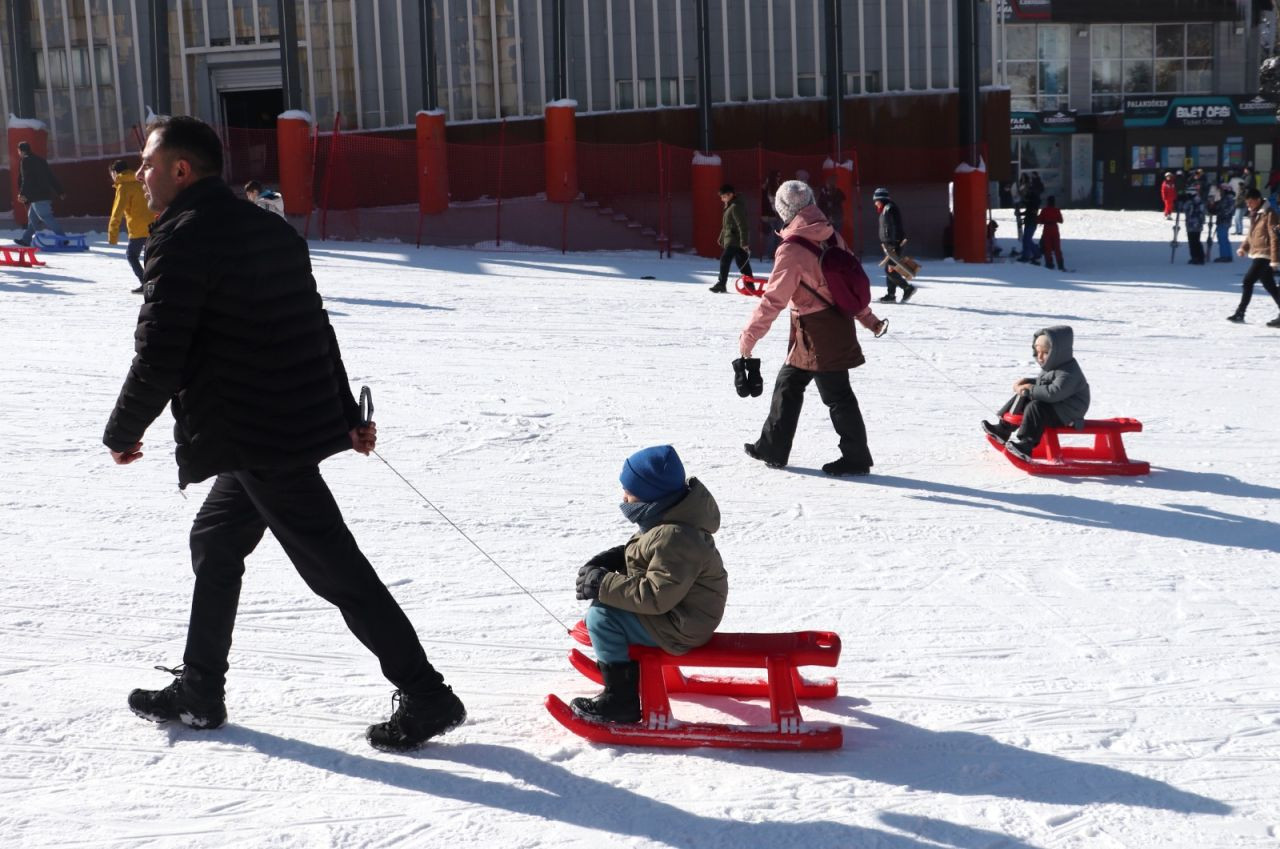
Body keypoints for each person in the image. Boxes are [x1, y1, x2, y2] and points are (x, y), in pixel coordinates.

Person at [102, 115, 465, 753]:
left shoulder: (182, 237)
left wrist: (124, 428)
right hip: (276, 425)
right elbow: (315, 328)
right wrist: (344, 413)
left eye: (148, 163)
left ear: (181, 170)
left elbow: (162, 351)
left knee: (335, 567)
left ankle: (426, 692)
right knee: (215, 539)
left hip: (256, 434)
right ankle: (200, 689)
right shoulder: (271, 228)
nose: (139, 174)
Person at [739, 180, 886, 477]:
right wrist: (868, 318)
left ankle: (856, 458)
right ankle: (772, 447)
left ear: (783, 210)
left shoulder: (791, 248)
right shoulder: (830, 235)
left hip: (817, 331)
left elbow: (773, 300)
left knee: (837, 395)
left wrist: (748, 339)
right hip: (827, 326)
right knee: (788, 385)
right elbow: (848, 283)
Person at [571, 445, 728, 724]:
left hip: (681, 625)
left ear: (652, 495)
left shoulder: (675, 536)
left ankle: (621, 701)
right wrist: (615, 558)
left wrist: (604, 585)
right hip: (680, 613)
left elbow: (656, 596)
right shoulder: (669, 518)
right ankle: (626, 672)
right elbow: (649, 555)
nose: (624, 497)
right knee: (606, 607)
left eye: (629, 492)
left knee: (602, 617)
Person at [981, 326, 1090, 462]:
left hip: (1070, 411)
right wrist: (1027, 383)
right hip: (1058, 405)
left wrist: (1030, 388)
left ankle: (1027, 445)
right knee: (1025, 396)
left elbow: (1053, 393)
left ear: (1057, 352)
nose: (1040, 357)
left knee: (1036, 407)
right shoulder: (1054, 366)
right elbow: (1043, 383)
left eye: (1045, 352)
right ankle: (1003, 429)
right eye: (1037, 352)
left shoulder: (1069, 373)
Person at [1229, 187, 1280, 327]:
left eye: (1250, 202)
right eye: (1247, 203)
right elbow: (1252, 234)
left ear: (1258, 200)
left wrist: (1275, 259)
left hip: (1265, 253)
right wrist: (1244, 247)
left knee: (1248, 281)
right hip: (1258, 252)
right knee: (1270, 286)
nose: (1248, 205)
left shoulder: (1270, 213)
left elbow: (1274, 237)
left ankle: (1240, 312)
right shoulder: (1256, 213)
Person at [107, 159, 156, 293]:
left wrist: (112, 235)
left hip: (138, 228)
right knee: (149, 257)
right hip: (153, 224)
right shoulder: (140, 181)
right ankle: (153, 284)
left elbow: (117, 212)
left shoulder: (123, 187)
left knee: (131, 255)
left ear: (115, 173)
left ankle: (145, 283)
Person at [14, 140, 67, 246]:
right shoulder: (41, 160)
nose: (18, 153)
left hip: (37, 196)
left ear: (21, 151)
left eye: (18, 151)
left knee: (46, 216)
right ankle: (26, 239)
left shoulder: (25, 161)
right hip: (43, 194)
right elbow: (51, 176)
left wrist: (22, 193)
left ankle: (62, 238)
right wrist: (60, 191)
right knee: (33, 218)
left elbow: (26, 179)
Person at [874, 187, 917, 302]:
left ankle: (908, 288)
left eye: (876, 200)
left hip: (895, 244)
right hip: (890, 244)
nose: (875, 203)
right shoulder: (886, 209)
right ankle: (891, 295)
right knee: (891, 269)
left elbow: (894, 227)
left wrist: (893, 244)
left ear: (881, 199)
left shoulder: (890, 208)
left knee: (890, 270)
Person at [710, 184, 753, 293]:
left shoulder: (735, 207)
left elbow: (742, 225)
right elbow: (727, 225)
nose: (722, 199)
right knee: (742, 262)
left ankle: (721, 284)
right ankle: (750, 285)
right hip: (732, 239)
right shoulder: (730, 206)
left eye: (723, 196)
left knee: (725, 259)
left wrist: (744, 242)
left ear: (731, 194)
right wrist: (721, 238)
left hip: (735, 240)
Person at [759, 169, 783, 260]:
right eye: (777, 176)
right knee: (771, 237)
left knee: (779, 236)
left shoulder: (779, 187)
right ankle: (768, 255)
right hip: (770, 215)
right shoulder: (766, 188)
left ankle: (777, 255)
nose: (779, 178)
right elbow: (766, 202)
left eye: (779, 176)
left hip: (778, 214)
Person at [1038, 196, 1065, 270]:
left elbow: (1039, 220)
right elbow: (1061, 220)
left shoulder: (1044, 210)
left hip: (1047, 229)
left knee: (1048, 248)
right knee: (1057, 248)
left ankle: (1049, 264)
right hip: (1054, 229)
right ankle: (1060, 265)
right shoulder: (1057, 210)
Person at [1019, 178, 1041, 263]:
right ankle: (1026, 255)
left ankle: (1036, 253)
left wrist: (1022, 212)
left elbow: (1031, 211)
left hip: (1032, 222)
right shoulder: (1031, 202)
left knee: (1027, 239)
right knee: (1026, 239)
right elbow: (1028, 210)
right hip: (1029, 221)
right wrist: (1021, 214)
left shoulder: (1034, 202)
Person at [1212, 181, 1235, 263]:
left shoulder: (1228, 198)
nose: (1220, 192)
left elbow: (1228, 210)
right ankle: (1227, 255)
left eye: (1221, 190)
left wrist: (1221, 213)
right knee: (1224, 238)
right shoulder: (1225, 198)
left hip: (1224, 220)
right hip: (1223, 220)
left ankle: (1225, 256)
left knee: (1222, 238)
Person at [1182, 187, 1206, 265]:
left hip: (1193, 224)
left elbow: (1186, 209)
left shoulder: (1192, 201)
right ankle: (1199, 257)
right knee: (1196, 241)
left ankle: (1196, 257)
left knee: (1193, 241)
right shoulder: (1199, 201)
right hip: (1196, 224)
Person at [817, 173, 846, 237]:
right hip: (831, 217)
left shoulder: (836, 192)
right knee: (833, 235)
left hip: (833, 217)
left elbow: (822, 203)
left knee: (832, 235)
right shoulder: (824, 192)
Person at [1232, 168, 1250, 235]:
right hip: (1238, 206)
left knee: (1238, 218)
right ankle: (1237, 230)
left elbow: (1243, 199)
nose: (1238, 187)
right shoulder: (1239, 191)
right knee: (1236, 219)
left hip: (1241, 206)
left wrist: (1237, 201)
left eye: (1239, 186)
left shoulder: (1244, 192)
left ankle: (1239, 231)